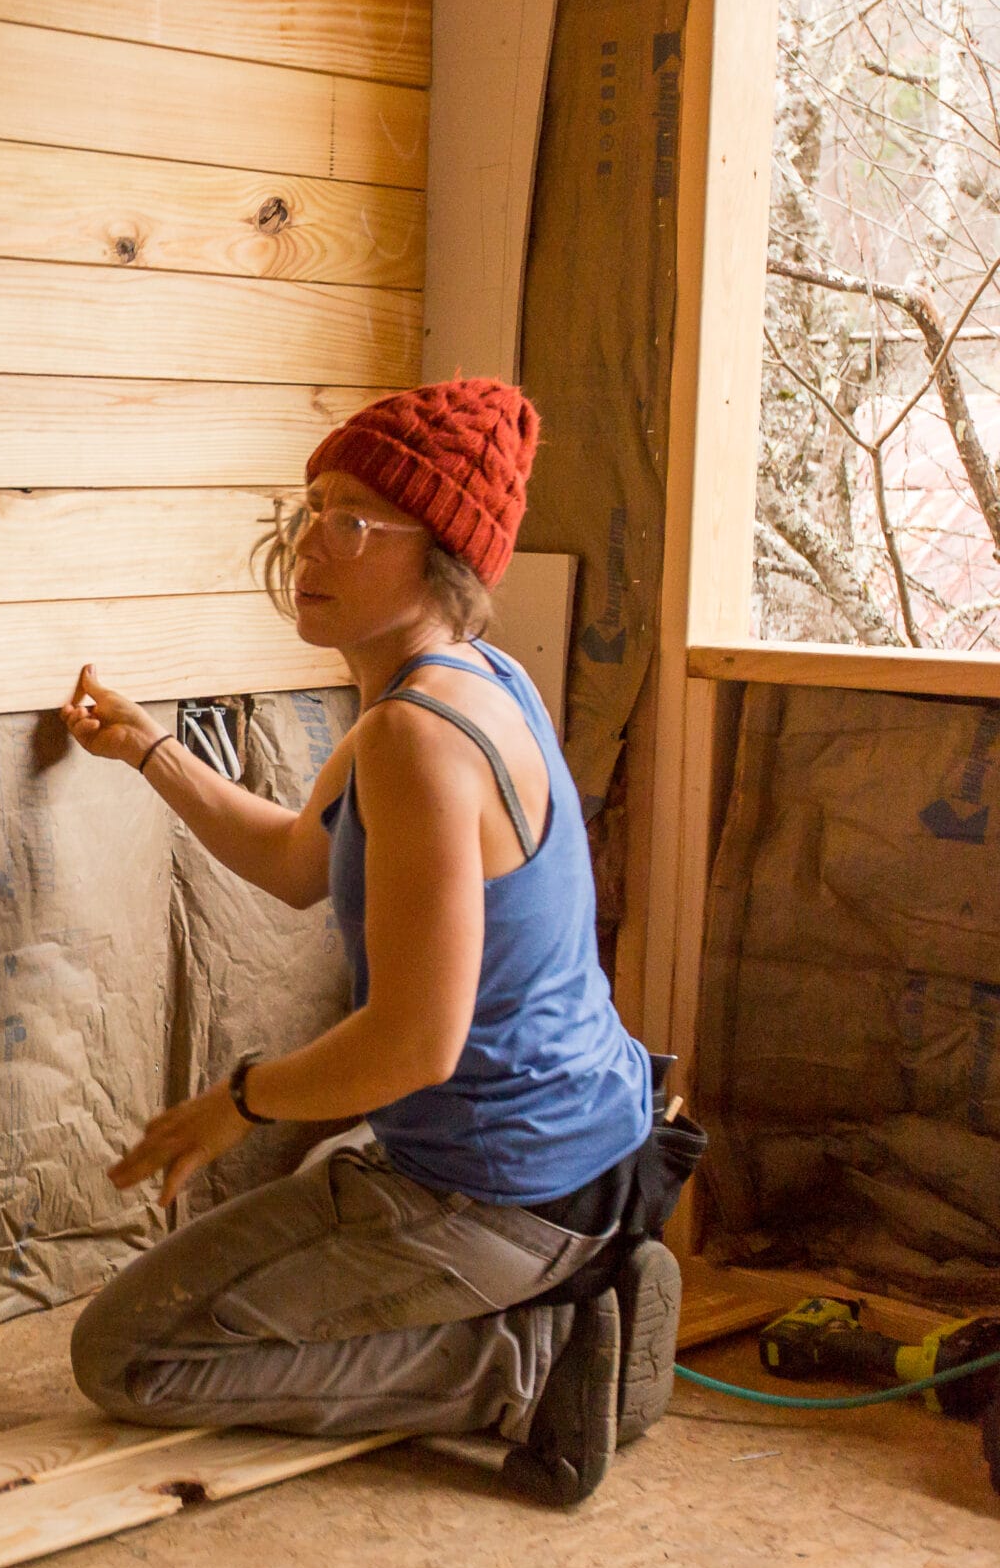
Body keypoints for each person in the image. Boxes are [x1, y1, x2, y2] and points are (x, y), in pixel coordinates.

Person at [58, 379, 682, 1507]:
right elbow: (301, 861)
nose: (309, 543)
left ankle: (524, 1367)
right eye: (306, 510)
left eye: (351, 519)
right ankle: (567, 1289)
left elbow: (415, 1043)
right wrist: (152, 750)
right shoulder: (459, 683)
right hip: (576, 1145)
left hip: (504, 1185)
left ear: (440, 552)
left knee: (128, 1355)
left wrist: (234, 1098)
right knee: (318, 1168)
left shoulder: (413, 735)